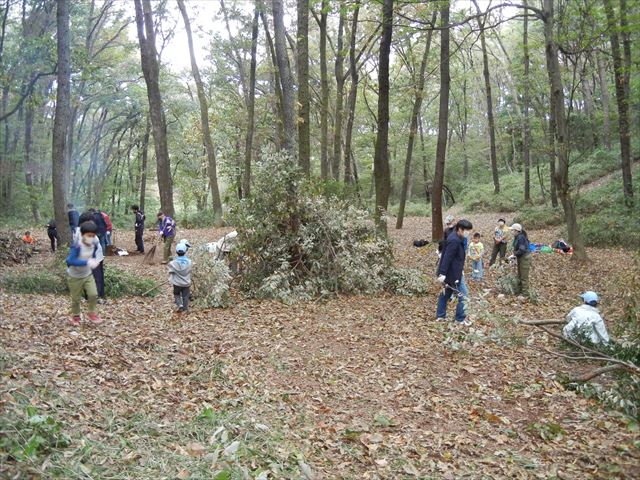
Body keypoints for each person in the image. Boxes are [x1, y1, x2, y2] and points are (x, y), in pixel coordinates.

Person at [436, 219, 474, 325]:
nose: (468, 233)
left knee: (446, 293)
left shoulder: (457, 236)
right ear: (460, 229)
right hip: (452, 274)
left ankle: (440, 316)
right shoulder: (455, 240)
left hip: (454, 271)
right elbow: (447, 257)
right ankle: (460, 319)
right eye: (466, 231)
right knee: (464, 295)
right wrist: (442, 273)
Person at [65, 221, 103, 325]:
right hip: (74, 276)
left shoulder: (94, 244)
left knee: (93, 294)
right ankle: (76, 317)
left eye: (93, 235)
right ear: (82, 235)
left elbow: (94, 255)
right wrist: (87, 262)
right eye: (89, 235)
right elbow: (69, 261)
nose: (91, 238)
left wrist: (94, 261)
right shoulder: (77, 246)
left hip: (87, 274)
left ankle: (91, 313)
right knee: (76, 299)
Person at [508, 223, 532, 296]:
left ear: (516, 231)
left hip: (525, 258)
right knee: (520, 275)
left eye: (512, 230)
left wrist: (514, 255)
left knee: (524, 276)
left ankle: (525, 294)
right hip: (521, 257)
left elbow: (522, 249)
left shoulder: (521, 238)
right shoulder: (517, 237)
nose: (511, 232)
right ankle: (520, 290)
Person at [168, 242, 192, 313]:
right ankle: (185, 309)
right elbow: (190, 270)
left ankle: (180, 305)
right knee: (186, 296)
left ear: (176, 252)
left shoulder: (173, 263)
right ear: (185, 251)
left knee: (176, 294)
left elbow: (170, 271)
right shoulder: (189, 262)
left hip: (177, 283)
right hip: (186, 283)